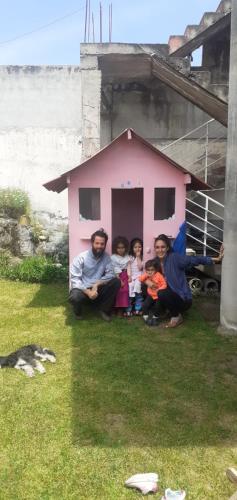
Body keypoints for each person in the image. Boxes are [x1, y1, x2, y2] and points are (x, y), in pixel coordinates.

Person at [146, 234, 224, 328]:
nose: (160, 250)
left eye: (163, 247)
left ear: (167, 248)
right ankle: (163, 311)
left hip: (182, 299)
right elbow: (146, 275)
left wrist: (216, 259)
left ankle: (176, 316)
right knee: (150, 289)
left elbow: (193, 260)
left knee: (162, 293)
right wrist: (147, 282)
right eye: (157, 247)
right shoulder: (155, 262)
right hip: (167, 295)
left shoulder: (175, 258)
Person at [69, 229, 120, 321]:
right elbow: (75, 279)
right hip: (83, 289)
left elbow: (111, 274)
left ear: (105, 244)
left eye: (102, 244)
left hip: (97, 289)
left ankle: (104, 310)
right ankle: (78, 313)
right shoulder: (81, 257)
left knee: (116, 282)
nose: (99, 246)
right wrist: (88, 292)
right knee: (75, 296)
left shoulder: (106, 257)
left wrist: (97, 284)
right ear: (92, 243)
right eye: (97, 243)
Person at [139, 259, 167, 326]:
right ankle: (145, 316)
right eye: (148, 270)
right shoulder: (146, 275)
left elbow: (164, 284)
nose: (150, 272)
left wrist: (159, 290)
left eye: (152, 270)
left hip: (158, 295)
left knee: (158, 307)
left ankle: (155, 317)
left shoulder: (159, 275)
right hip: (151, 294)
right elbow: (140, 279)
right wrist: (146, 275)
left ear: (156, 270)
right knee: (145, 305)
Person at [111, 236, 131, 316]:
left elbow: (129, 267)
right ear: (115, 248)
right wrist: (119, 280)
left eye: (122, 247)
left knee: (125, 290)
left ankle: (122, 308)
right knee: (118, 290)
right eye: (118, 247)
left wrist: (129, 276)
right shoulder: (113, 257)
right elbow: (115, 269)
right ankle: (115, 308)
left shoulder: (127, 257)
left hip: (125, 275)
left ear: (125, 248)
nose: (121, 249)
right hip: (117, 276)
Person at [126, 238, 144, 316]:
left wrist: (139, 257)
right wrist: (129, 276)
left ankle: (138, 308)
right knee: (130, 287)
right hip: (132, 276)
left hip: (139, 276)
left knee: (138, 289)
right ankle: (128, 309)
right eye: (135, 247)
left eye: (139, 247)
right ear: (132, 248)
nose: (137, 249)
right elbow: (128, 267)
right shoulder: (130, 257)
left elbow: (140, 268)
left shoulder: (142, 257)